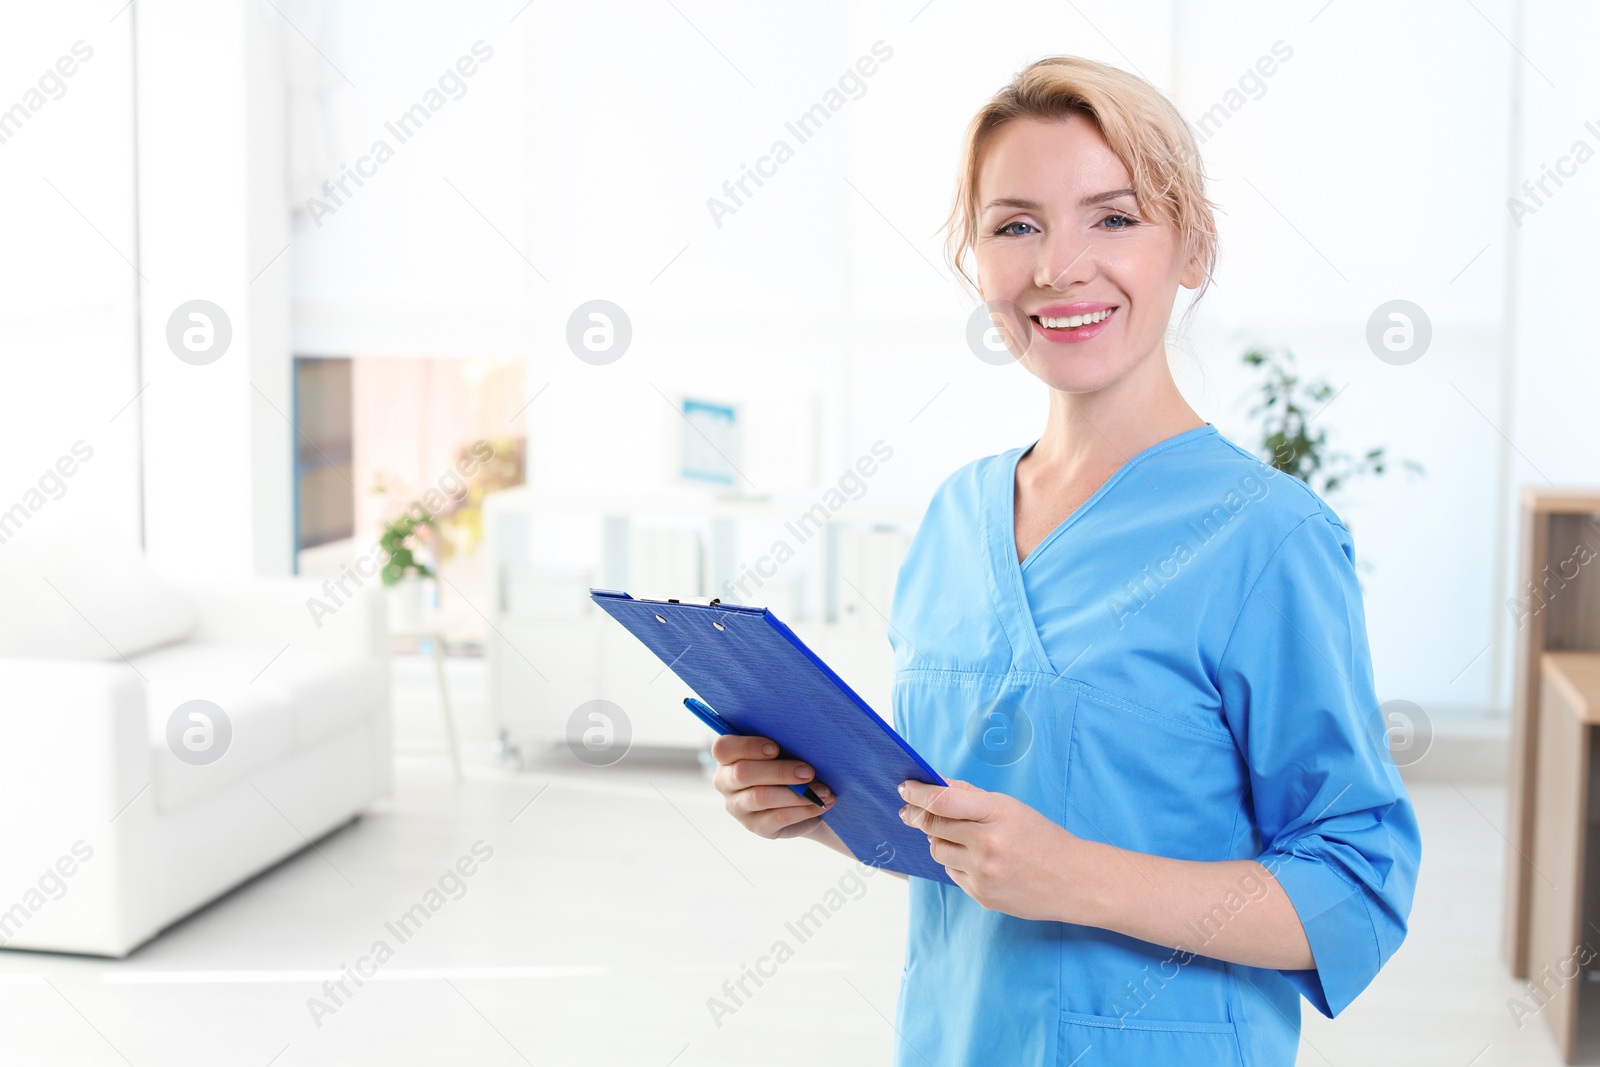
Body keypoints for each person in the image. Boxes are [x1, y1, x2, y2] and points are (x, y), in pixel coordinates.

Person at [711, 54, 1420, 1066]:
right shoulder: (958, 514)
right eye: (1015, 226)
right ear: (976, 261)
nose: (1057, 267)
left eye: (1113, 218)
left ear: (1191, 245)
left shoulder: (1270, 537)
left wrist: (1075, 875)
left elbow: (1354, 892)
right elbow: (954, 827)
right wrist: (813, 806)